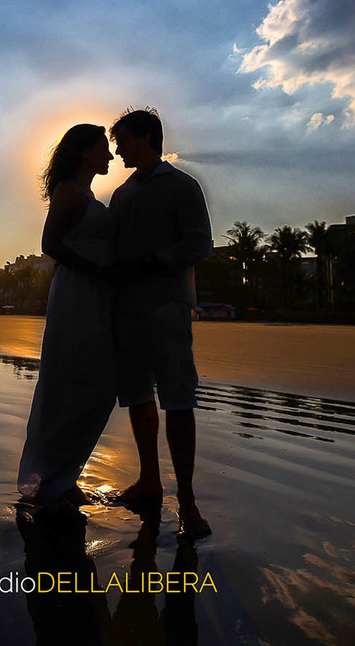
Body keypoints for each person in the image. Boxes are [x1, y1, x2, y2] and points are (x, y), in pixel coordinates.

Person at [108, 107, 213, 539]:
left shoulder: (182, 186)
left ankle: (187, 500)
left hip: (167, 306)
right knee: (136, 393)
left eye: (124, 140)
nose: (117, 150)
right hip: (127, 308)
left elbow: (200, 243)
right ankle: (150, 478)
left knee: (177, 395)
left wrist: (156, 261)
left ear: (147, 137)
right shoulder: (121, 194)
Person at [17, 123, 118, 514]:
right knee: (65, 384)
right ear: (84, 153)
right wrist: (95, 270)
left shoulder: (87, 193)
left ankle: (64, 476)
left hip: (94, 296)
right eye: (103, 149)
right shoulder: (68, 191)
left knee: (97, 386)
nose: (110, 156)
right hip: (75, 293)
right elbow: (49, 244)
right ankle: (52, 480)